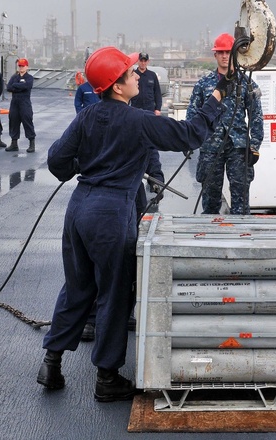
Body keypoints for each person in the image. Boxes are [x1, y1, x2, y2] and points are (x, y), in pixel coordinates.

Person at [37, 46, 230, 402]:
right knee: (113, 294)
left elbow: (56, 162)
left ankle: (51, 362)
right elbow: (188, 135)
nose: (138, 75)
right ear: (117, 85)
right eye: (131, 73)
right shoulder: (138, 120)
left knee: (77, 287)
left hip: (78, 209)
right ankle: (107, 378)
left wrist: (82, 166)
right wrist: (217, 97)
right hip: (111, 213)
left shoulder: (86, 117)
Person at [187, 33, 263, 216]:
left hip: (238, 147)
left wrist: (254, 146)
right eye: (220, 52)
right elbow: (192, 114)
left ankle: (242, 238)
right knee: (211, 199)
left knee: (241, 199)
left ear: (235, 54)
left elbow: (256, 116)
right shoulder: (204, 84)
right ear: (215, 55)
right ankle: (211, 238)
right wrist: (190, 141)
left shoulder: (246, 83)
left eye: (228, 52)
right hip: (210, 146)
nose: (224, 56)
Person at [129, 52, 164, 189]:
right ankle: (135, 180)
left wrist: (158, 109)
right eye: (141, 61)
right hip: (136, 113)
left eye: (145, 61)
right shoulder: (133, 76)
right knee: (135, 144)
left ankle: (155, 181)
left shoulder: (152, 76)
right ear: (138, 62)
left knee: (151, 144)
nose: (143, 63)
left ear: (148, 62)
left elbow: (157, 93)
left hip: (150, 114)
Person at [5, 58, 36, 153]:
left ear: (27, 67)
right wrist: (19, 86)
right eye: (20, 66)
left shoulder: (29, 78)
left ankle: (31, 143)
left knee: (27, 121)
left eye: (23, 66)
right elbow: (9, 87)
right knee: (13, 121)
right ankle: (14, 143)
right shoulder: (14, 77)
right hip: (14, 103)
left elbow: (27, 86)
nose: (21, 68)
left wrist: (16, 86)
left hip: (25, 103)